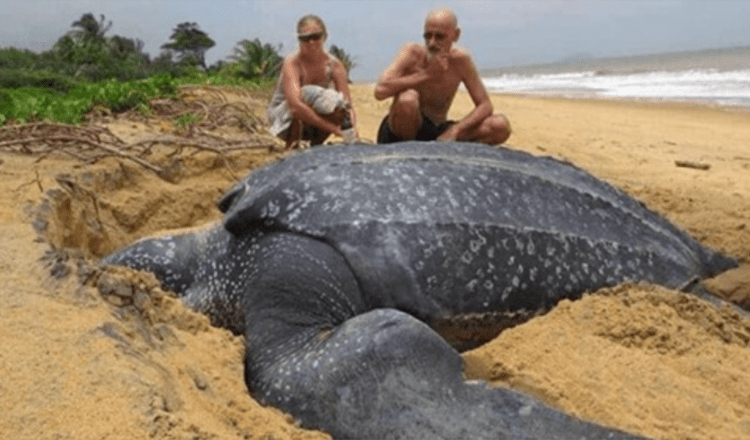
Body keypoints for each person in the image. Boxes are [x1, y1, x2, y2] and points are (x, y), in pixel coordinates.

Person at [374, 8, 510, 145]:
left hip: (437, 130)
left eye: (439, 37)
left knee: (499, 126)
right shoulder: (412, 53)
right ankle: (409, 150)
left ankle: (440, 146)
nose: (432, 43)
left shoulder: (460, 60)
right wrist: (426, 75)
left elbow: (485, 105)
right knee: (408, 100)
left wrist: (456, 130)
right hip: (401, 131)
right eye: (427, 36)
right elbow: (379, 91)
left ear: (455, 35)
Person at [267, 14, 358, 149]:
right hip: (282, 117)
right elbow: (295, 106)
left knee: (338, 105)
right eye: (305, 38)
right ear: (299, 40)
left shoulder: (334, 65)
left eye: (316, 37)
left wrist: (352, 129)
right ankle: (293, 145)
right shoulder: (292, 63)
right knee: (307, 94)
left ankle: (315, 145)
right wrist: (333, 129)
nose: (311, 42)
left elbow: (347, 105)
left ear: (324, 37)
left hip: (310, 115)